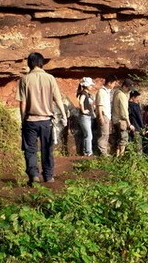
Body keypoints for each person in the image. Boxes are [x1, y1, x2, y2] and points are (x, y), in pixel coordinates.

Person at [15, 52, 68, 186]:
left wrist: (23, 120)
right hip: (46, 121)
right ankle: (49, 176)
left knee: (30, 149)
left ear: (30, 63)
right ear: (41, 63)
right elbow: (58, 99)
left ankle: (34, 175)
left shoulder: (24, 80)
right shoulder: (50, 78)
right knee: (47, 149)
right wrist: (64, 115)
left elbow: (23, 103)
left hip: (30, 120)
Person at [95, 74, 117, 157]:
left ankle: (103, 152)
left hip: (107, 116)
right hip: (103, 115)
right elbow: (99, 105)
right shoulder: (101, 91)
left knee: (106, 134)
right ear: (109, 83)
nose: (114, 85)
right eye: (114, 83)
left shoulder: (107, 92)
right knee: (103, 134)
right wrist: (100, 117)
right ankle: (102, 153)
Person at [112, 78, 135, 157]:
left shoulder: (116, 92)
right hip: (121, 121)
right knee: (124, 139)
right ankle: (121, 157)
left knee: (119, 139)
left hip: (115, 119)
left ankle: (117, 156)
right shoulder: (122, 95)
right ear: (124, 87)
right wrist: (129, 124)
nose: (129, 91)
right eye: (129, 88)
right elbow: (124, 112)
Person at [76, 77, 95, 157]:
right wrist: (83, 110)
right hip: (84, 117)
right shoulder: (83, 93)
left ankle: (85, 151)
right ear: (86, 85)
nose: (91, 86)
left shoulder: (86, 93)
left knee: (87, 134)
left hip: (87, 117)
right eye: (90, 85)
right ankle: (88, 152)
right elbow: (80, 102)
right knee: (89, 135)